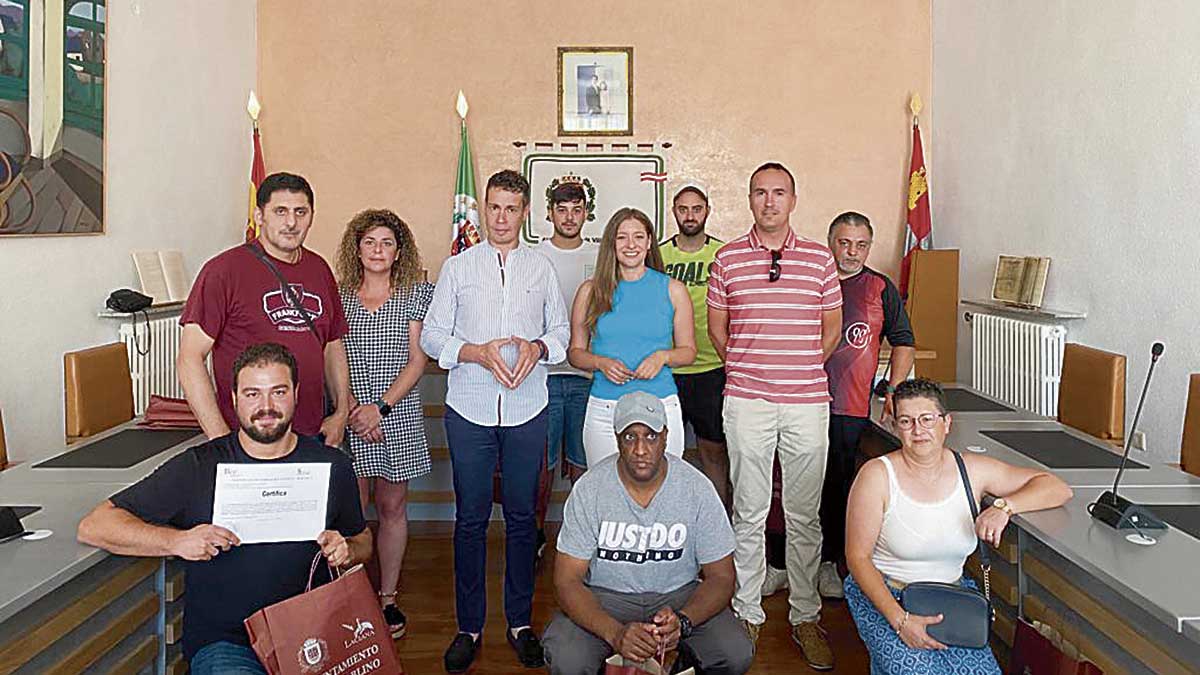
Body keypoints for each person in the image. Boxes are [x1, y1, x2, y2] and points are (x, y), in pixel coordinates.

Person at [77, 343, 371, 674]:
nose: (266, 406)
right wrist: (176, 541)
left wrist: (347, 549)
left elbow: (363, 540)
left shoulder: (332, 465)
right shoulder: (200, 466)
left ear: (296, 394)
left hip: (312, 634)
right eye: (252, 394)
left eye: (278, 392)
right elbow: (96, 524)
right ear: (232, 399)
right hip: (228, 643)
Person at [420, 169, 570, 673]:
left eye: (512, 208)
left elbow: (563, 334)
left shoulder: (542, 269)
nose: (502, 218)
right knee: (471, 519)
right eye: (494, 207)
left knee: (525, 518)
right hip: (469, 411)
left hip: (529, 410)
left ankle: (521, 623)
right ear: (482, 210)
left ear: (525, 212)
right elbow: (433, 338)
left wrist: (539, 346)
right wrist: (474, 352)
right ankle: (469, 626)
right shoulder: (458, 268)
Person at [707, 162, 842, 669]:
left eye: (778, 193)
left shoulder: (820, 260)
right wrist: (747, 365)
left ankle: (805, 616)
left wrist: (802, 364)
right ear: (749, 199)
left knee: (805, 515)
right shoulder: (727, 260)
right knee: (749, 510)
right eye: (760, 193)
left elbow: (832, 327)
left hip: (807, 401)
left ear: (793, 199)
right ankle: (747, 612)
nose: (769, 201)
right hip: (747, 400)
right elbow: (718, 329)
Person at [844, 378, 1072, 674]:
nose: (918, 430)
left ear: (946, 423)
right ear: (895, 427)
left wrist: (1004, 507)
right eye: (906, 421)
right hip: (887, 596)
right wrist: (901, 621)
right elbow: (857, 558)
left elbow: (1056, 488)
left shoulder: (972, 470)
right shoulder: (876, 476)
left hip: (949, 598)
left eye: (927, 419)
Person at [542, 391, 754, 675]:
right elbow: (567, 580)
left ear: (665, 437)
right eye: (630, 437)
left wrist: (684, 621)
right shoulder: (590, 489)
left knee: (735, 653)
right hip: (607, 597)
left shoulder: (696, 488)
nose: (641, 449)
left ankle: (683, 660)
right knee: (566, 657)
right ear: (617, 439)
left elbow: (722, 576)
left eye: (651, 436)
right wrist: (615, 633)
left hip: (678, 595)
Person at [178, 172, 352, 447]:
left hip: (311, 435)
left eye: (300, 212)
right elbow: (189, 359)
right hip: (248, 439)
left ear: (312, 216)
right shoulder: (224, 271)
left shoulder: (319, 269)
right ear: (259, 216)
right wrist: (220, 439)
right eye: (280, 211)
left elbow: (332, 344)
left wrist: (341, 412)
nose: (291, 222)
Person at [335, 208, 435, 639]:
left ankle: (387, 597)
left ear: (399, 251)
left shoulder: (414, 294)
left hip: (397, 416)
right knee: (352, 513)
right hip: (348, 415)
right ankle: (350, 596)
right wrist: (354, 408)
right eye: (370, 242)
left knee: (392, 509)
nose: (378, 250)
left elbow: (418, 360)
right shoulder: (337, 296)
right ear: (357, 248)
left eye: (387, 243)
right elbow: (330, 356)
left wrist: (380, 408)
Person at [817, 211, 917, 600]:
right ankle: (783, 563)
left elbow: (904, 341)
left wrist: (893, 390)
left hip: (850, 406)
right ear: (830, 241)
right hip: (801, 401)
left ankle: (828, 563)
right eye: (844, 243)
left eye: (860, 245)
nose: (851, 252)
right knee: (792, 486)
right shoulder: (811, 280)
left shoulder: (879, 287)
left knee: (837, 486)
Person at [569, 207, 696, 467]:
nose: (630, 245)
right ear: (611, 244)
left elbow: (688, 351)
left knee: (664, 490)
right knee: (605, 490)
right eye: (622, 237)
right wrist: (600, 363)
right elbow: (575, 353)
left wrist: (663, 357)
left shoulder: (673, 289)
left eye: (638, 237)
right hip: (605, 407)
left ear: (649, 242)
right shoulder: (590, 291)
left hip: (660, 404)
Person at [659, 183, 730, 509]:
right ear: (674, 212)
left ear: (707, 212)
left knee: (713, 451)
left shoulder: (723, 255)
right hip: (667, 370)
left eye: (696, 209)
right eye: (683, 209)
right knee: (662, 452)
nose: (690, 215)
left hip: (711, 369)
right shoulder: (658, 255)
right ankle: (668, 522)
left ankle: (718, 526)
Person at [538, 181, 599, 484]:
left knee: (584, 461)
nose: (569, 217)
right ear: (550, 213)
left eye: (576, 210)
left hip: (587, 376)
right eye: (562, 210)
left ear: (586, 213)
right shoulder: (533, 256)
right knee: (540, 464)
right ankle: (534, 532)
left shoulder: (602, 257)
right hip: (542, 376)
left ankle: (581, 529)